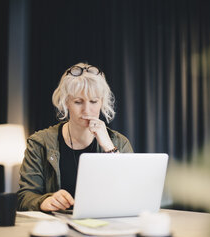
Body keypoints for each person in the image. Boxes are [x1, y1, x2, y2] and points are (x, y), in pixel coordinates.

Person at [17, 62, 133, 211]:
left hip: (103, 227)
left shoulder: (119, 143)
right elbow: (24, 197)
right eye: (78, 102)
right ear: (66, 102)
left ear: (102, 102)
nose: (87, 110)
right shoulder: (40, 143)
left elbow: (130, 193)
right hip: (56, 228)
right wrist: (44, 201)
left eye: (94, 101)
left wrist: (109, 147)